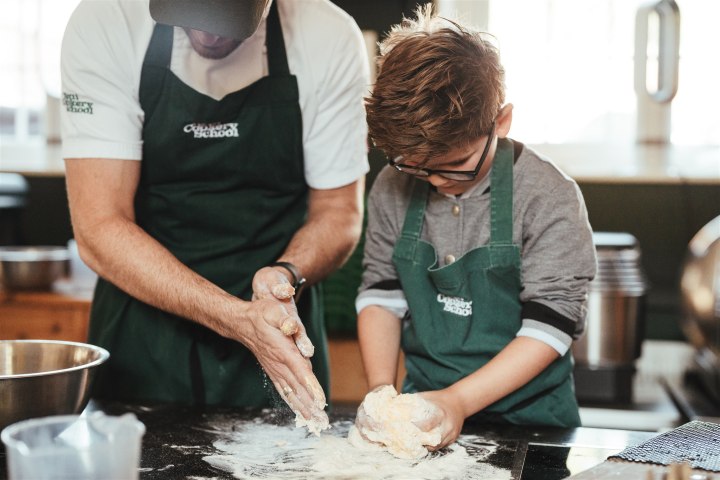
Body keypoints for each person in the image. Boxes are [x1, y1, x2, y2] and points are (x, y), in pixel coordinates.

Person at [60, 0, 369, 421]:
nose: (207, 35)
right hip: (145, 332)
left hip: (278, 324)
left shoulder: (328, 36)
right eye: (189, 18)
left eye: (228, 23)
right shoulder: (106, 21)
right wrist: (235, 317)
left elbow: (340, 213)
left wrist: (285, 275)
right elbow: (99, 226)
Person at [354, 4, 597, 450]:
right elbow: (381, 294)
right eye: (418, 168)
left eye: (458, 165)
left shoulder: (547, 196)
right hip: (423, 412)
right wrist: (380, 395)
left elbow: (553, 322)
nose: (439, 181)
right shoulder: (391, 187)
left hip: (533, 423)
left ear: (501, 122)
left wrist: (459, 401)